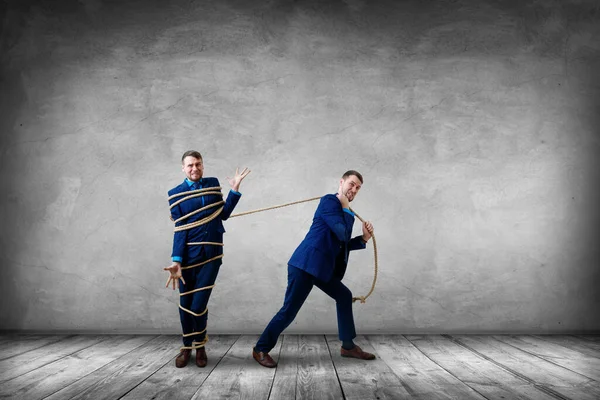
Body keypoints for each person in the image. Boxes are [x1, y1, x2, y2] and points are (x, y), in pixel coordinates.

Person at [252, 170, 375, 368]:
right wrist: (345, 207)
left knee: (344, 296)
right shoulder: (329, 202)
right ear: (341, 182)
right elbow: (342, 234)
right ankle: (260, 349)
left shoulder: (344, 211)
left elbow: (339, 243)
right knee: (289, 311)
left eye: (358, 188)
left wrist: (363, 239)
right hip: (305, 265)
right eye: (351, 184)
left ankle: (348, 346)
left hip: (321, 268)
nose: (354, 189)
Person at [164, 150, 250, 368]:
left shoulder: (212, 185)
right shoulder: (175, 193)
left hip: (211, 256)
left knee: (199, 304)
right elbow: (180, 228)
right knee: (186, 304)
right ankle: (187, 347)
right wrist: (176, 260)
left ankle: (200, 346)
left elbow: (223, 214)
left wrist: (235, 189)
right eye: (190, 165)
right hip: (187, 258)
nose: (195, 168)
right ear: (183, 168)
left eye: (198, 164)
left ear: (203, 165)